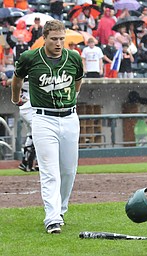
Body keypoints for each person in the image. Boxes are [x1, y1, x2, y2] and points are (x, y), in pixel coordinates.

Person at [11, 19, 84, 234]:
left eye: (62, 39)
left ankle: (60, 210)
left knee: (69, 170)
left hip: (70, 117)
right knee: (50, 171)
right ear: (44, 38)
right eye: (54, 39)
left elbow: (77, 80)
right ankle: (51, 218)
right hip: (43, 118)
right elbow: (17, 79)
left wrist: (74, 97)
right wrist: (16, 99)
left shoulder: (74, 58)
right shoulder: (30, 57)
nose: (59, 43)